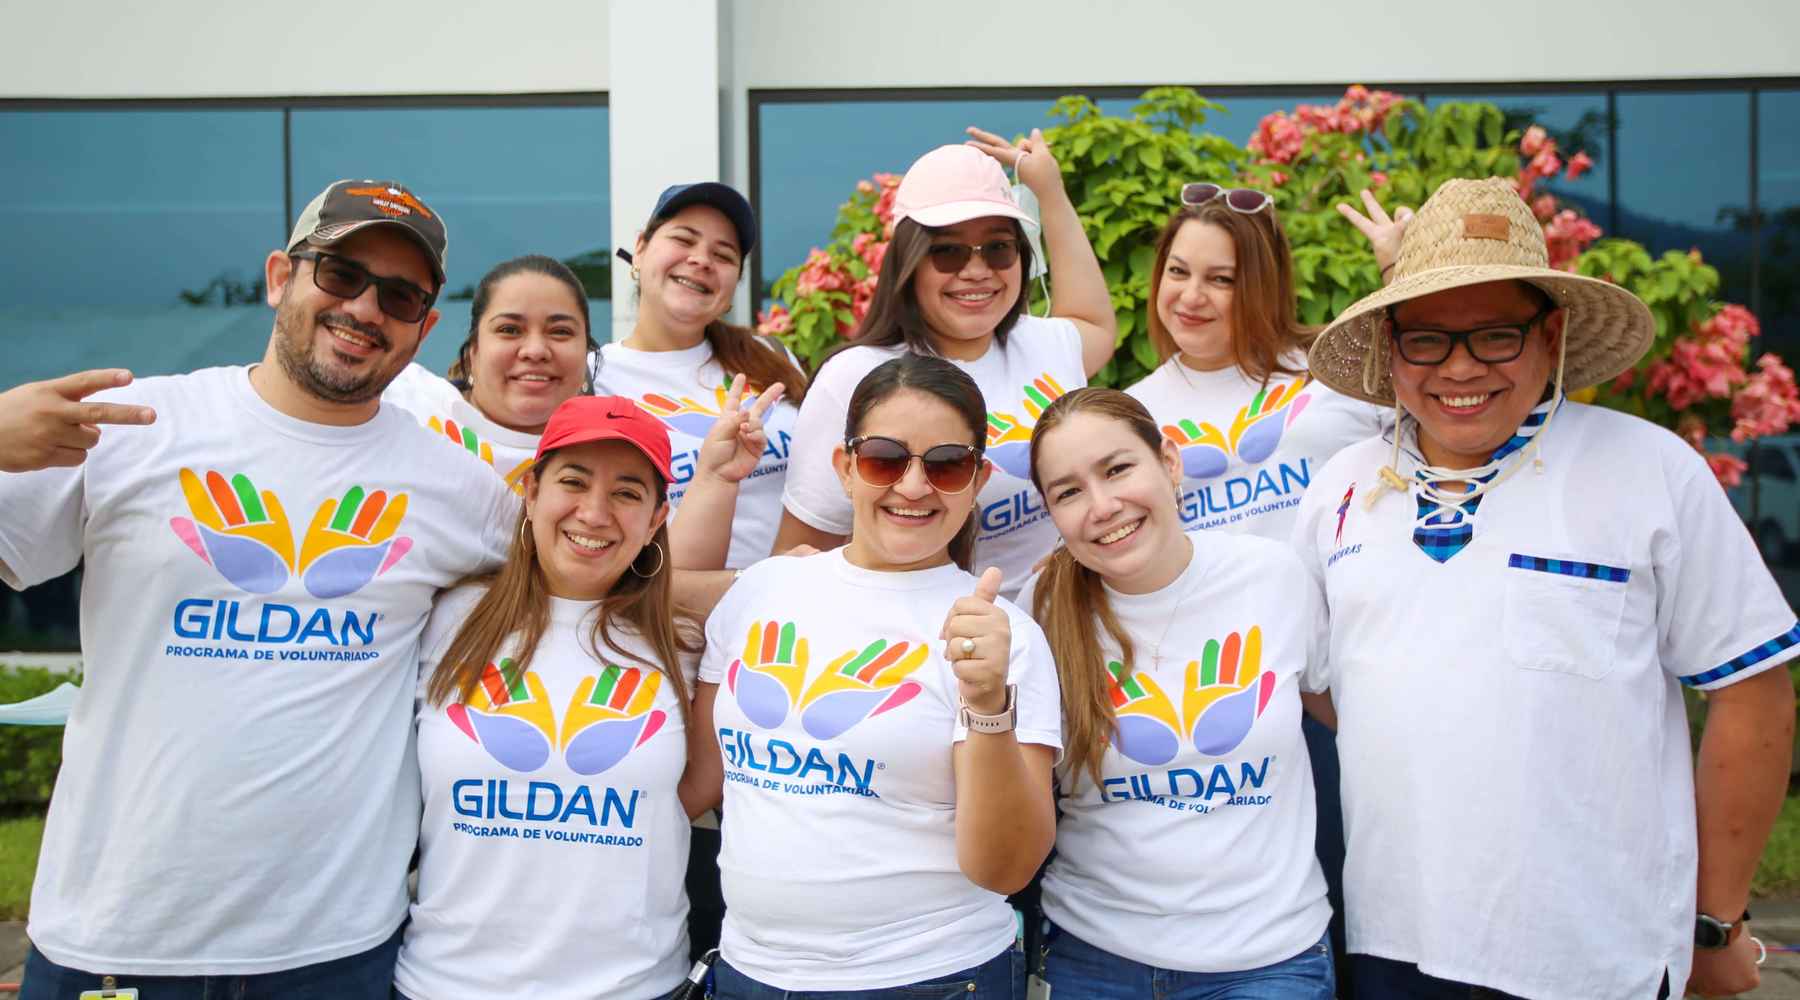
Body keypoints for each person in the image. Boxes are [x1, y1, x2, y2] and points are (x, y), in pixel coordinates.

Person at [0, 179, 517, 998]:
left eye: (398, 295)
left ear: (424, 328)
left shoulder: (464, 492)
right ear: (282, 276)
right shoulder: (129, 426)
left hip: (333, 953)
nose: (364, 309)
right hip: (115, 939)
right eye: (341, 275)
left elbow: (598, 584)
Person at [1293, 176, 1799, 999]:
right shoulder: (1341, 488)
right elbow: (1325, 680)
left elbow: (1753, 690)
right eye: (1426, 339)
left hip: (1596, 953)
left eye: (1497, 336)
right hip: (1387, 939)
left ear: (1552, 333)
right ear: (1391, 347)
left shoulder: (1650, 469)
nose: (1460, 369)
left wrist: (1714, 922)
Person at [687, 354, 1061, 996]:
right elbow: (696, 784)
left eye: (945, 465)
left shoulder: (1003, 635)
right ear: (843, 468)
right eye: (885, 458)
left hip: (929, 976)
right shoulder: (763, 590)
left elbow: (1006, 869)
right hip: (752, 973)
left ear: (977, 480)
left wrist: (988, 702)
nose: (914, 486)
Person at [1123, 184, 1400, 989]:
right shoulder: (1136, 411)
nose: (1192, 296)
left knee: (1362, 902)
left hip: (1339, 687)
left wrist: (1398, 270)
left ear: (1264, 283)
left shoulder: (1331, 377)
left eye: (1222, 277)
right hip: (1218, 703)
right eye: (1178, 271)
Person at [1019, 387, 1334, 998]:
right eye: (1069, 492)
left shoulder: (1272, 577)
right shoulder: (1037, 614)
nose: (1103, 505)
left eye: (1117, 469)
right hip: (1093, 959)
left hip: (1269, 960)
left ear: (1168, 461)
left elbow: (1352, 710)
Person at [395, 396, 707, 1000]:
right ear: (531, 492)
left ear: (657, 518)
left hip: (635, 988)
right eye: (573, 481)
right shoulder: (442, 615)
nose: (594, 513)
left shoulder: (687, 648)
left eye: (627, 492)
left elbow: (696, 795)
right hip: (447, 984)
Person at [775, 129, 1118, 601]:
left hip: (1059, 632)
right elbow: (800, 557)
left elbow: (1095, 321)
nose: (976, 270)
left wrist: (1049, 190)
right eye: (948, 251)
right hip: (924, 650)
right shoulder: (854, 378)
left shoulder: (1046, 344)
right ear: (908, 263)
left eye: (998, 248)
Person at [597, 182, 810, 570]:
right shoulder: (592, 379)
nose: (701, 260)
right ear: (640, 250)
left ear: (732, 289)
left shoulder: (772, 356)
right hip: (669, 612)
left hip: (787, 613)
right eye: (684, 239)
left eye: (723, 255)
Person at [384, 254, 600, 494]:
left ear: (586, 352)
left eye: (560, 331)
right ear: (473, 350)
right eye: (509, 329)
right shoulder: (400, 397)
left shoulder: (611, 459)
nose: (535, 351)